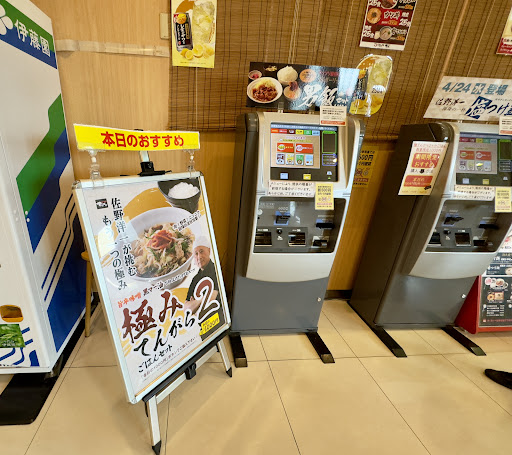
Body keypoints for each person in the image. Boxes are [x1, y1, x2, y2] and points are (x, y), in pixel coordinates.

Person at [184, 236, 219, 314]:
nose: (199, 257)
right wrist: (202, 300)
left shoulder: (216, 270)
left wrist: (194, 303)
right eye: (196, 254)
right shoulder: (195, 278)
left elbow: (212, 298)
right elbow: (186, 309)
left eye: (201, 251)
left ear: (209, 251)